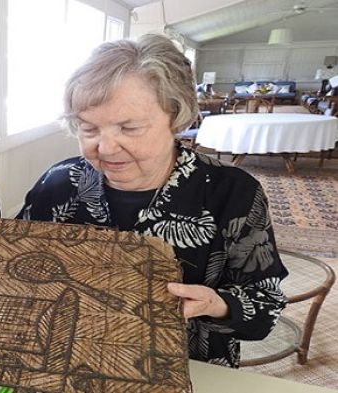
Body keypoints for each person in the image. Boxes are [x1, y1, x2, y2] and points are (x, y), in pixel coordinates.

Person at [16, 34, 287, 368]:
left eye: (129, 128)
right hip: (68, 363)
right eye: (88, 129)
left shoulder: (231, 192)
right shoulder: (60, 184)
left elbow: (266, 306)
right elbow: (12, 267)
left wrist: (216, 304)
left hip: (186, 367)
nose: (106, 147)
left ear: (177, 117)